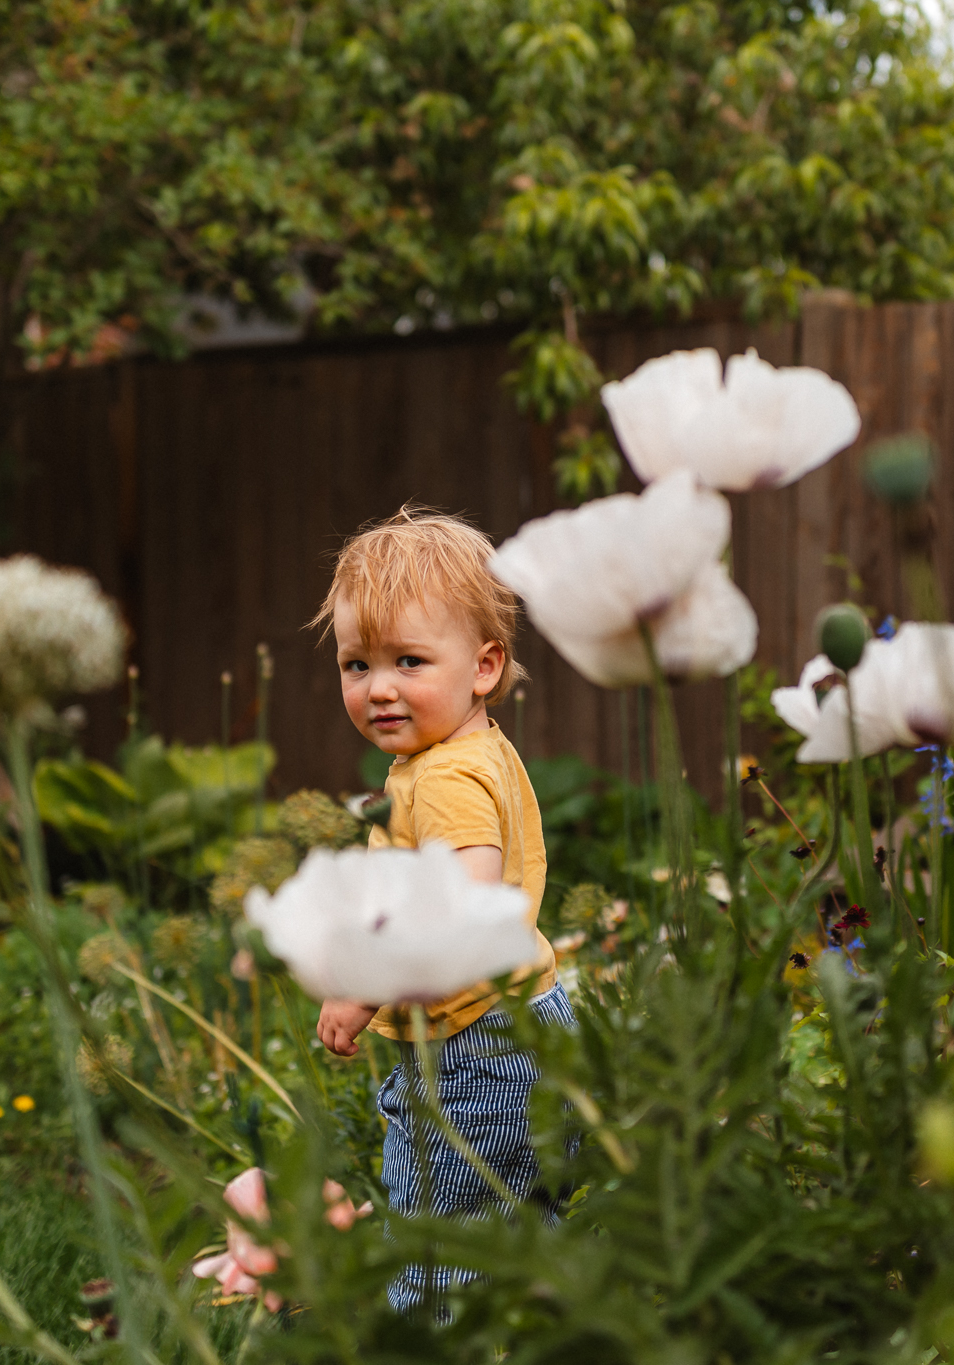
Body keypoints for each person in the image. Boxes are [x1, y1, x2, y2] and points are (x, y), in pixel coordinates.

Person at [308, 506, 571, 1312]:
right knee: (523, 1230)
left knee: (435, 1249)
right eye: (358, 665)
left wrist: (361, 985)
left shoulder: (447, 778)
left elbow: (463, 905)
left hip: (479, 1047)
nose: (379, 687)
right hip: (525, 1022)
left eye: (409, 661)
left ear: (484, 666)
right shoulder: (465, 750)